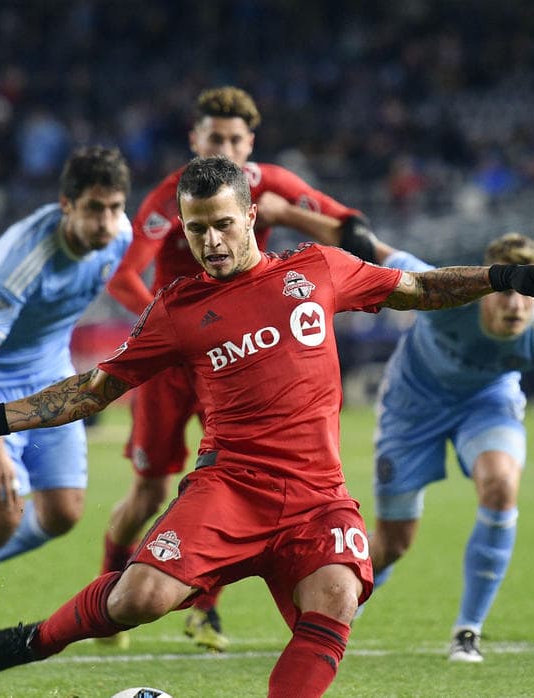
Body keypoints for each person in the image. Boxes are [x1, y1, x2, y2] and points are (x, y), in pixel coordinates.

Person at [0, 156, 534, 697]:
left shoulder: (317, 271)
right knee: (140, 599)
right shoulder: (178, 309)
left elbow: (418, 289)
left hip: (316, 497)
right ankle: (40, 639)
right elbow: (96, 388)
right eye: (197, 230)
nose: (212, 242)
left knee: (337, 596)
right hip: (229, 489)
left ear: (252, 216)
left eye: (223, 223)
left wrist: (497, 278)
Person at [100, 85, 373, 652]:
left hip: (243, 362)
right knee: (149, 492)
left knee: (232, 480)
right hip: (176, 361)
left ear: (250, 143)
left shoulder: (271, 185)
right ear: (194, 138)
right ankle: (110, 577)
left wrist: (287, 214)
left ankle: (204, 611)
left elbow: (350, 228)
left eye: (234, 138)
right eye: (213, 136)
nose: (223, 144)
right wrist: (167, 334)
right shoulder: (169, 197)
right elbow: (125, 277)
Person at [0, 146, 133, 661]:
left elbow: (130, 282)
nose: (106, 222)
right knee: (1, 517)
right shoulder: (27, 256)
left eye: (114, 207)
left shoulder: (121, 235)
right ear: (67, 205)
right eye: (93, 209)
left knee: (63, 513)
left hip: (48, 370)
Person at [362, 231, 534, 662]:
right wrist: (295, 211)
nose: (517, 306)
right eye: (508, 294)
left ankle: (468, 630)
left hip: (487, 403)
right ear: (488, 286)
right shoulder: (445, 289)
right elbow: (375, 247)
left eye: (527, 297)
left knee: (502, 484)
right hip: (413, 405)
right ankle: (342, 608)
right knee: (392, 543)